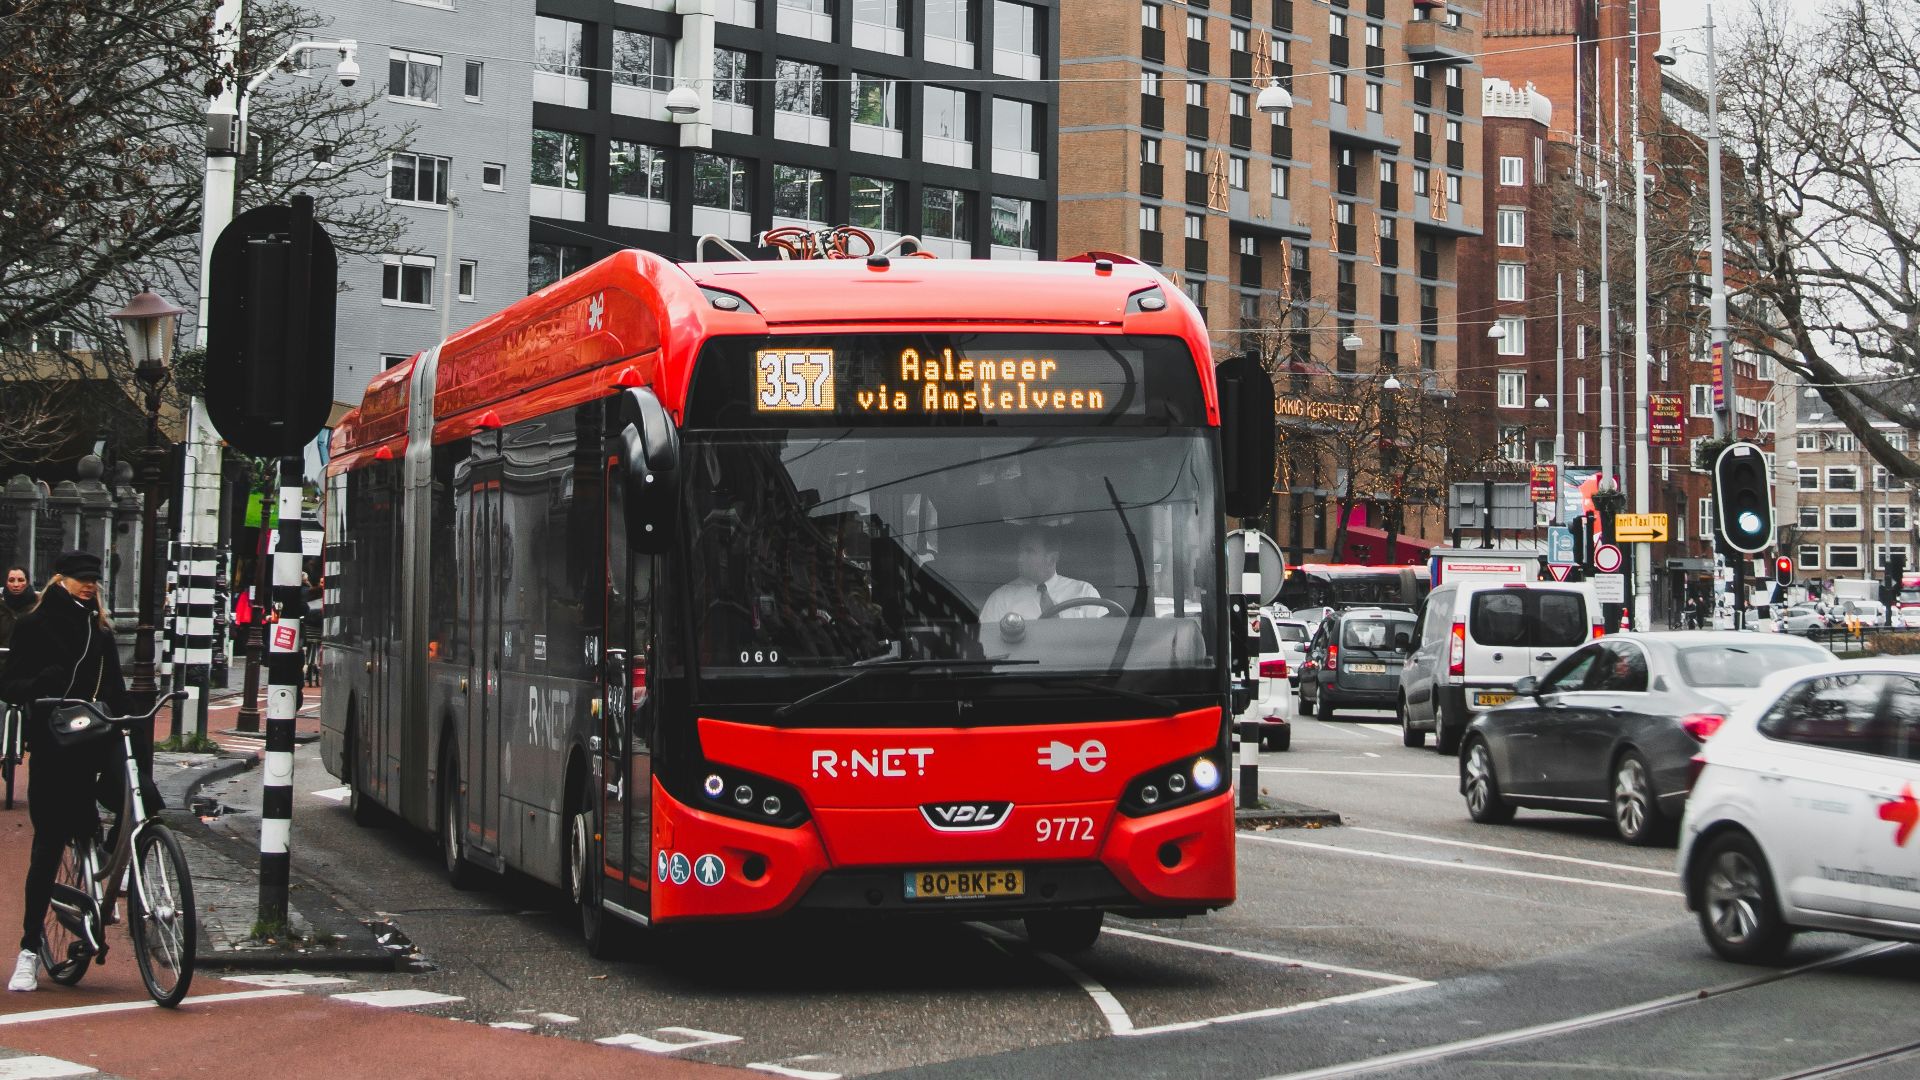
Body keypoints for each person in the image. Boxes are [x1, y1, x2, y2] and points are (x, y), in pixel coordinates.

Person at [0, 551, 154, 993]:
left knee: (139, 787)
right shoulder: (33, 625)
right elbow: (9, 685)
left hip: (96, 734)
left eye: (94, 580)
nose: (90, 586)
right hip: (54, 740)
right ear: (60, 580)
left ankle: (116, 855)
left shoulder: (98, 629)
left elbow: (115, 689)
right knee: (47, 846)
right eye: (81, 579)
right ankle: (29, 950)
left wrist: (133, 720)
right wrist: (42, 685)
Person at [979, 528, 1104, 625]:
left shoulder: (1084, 592)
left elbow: (1105, 639)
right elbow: (983, 647)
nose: (1020, 558)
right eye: (1020, 551)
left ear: (1052, 558)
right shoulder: (1001, 599)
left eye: (1029, 551)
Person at [0, 567, 34, 650]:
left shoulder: (38, 607)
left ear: (27, 582)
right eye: (11, 580)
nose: (16, 585)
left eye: (21, 580)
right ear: (6, 583)